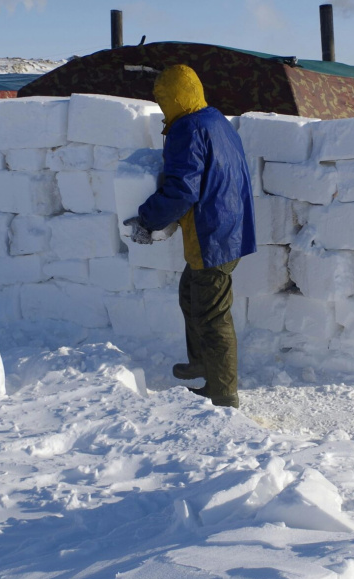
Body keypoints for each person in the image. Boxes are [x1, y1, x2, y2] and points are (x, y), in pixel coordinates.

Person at [123, 64, 256, 408]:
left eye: (162, 97)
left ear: (173, 97)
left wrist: (148, 219)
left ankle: (223, 391)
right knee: (191, 294)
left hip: (212, 234)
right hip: (230, 226)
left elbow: (182, 189)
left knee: (212, 314)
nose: (161, 104)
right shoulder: (215, 120)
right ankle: (202, 362)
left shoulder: (187, 128)